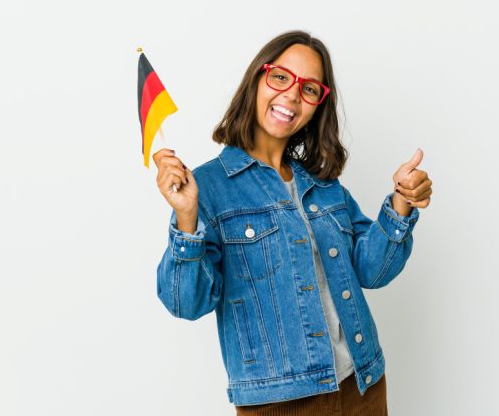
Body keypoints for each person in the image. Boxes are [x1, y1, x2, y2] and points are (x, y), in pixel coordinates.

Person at [153, 30, 433, 415]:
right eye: (281, 77)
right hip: (279, 403)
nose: (291, 95)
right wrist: (186, 218)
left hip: (363, 387)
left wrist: (401, 204)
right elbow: (186, 303)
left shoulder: (323, 186)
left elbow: (371, 270)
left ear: (318, 105)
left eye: (310, 89)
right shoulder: (208, 189)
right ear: (256, 79)